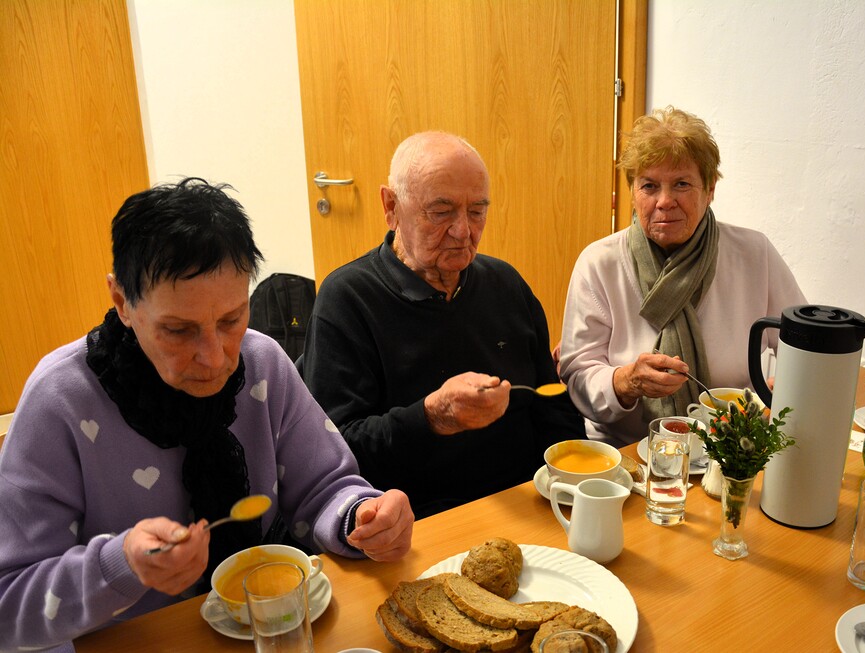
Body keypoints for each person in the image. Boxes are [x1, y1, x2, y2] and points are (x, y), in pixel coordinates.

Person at [0, 178, 414, 651]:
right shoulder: (61, 401)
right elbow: (8, 601)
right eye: (179, 330)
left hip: (269, 628)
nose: (215, 358)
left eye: (232, 320)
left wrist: (362, 516)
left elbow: (324, 487)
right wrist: (120, 564)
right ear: (122, 302)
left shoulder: (262, 363)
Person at [299, 131, 585, 519]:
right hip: (416, 520)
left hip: (526, 502)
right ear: (391, 207)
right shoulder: (348, 300)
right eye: (441, 212)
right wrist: (432, 417)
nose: (463, 231)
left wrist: (577, 489)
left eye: (477, 211)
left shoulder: (506, 284)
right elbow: (336, 453)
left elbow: (551, 406)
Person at [559, 107, 806, 446]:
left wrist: (782, 388)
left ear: (710, 188)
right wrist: (626, 381)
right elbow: (578, 378)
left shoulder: (753, 254)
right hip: (625, 449)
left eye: (681, 184)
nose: (665, 201)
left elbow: (801, 345)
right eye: (649, 186)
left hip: (733, 443)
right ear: (632, 192)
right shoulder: (600, 263)